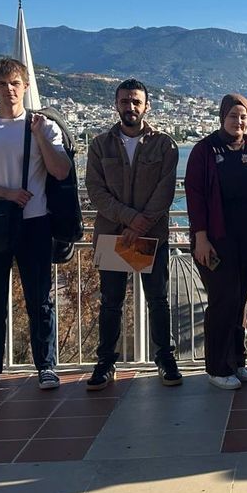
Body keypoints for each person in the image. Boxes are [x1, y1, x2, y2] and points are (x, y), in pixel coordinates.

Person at [0, 57, 71, 395]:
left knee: (40, 299)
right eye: (2, 84)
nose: (9, 89)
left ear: (26, 86)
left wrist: (40, 135)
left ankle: (46, 366)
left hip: (35, 222)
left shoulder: (44, 126)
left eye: (15, 83)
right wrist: (6, 193)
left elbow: (61, 170)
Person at [85, 79, 181, 390]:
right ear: (116, 104)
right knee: (111, 302)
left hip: (150, 237)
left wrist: (139, 225)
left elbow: (165, 191)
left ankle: (165, 358)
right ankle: (105, 362)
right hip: (114, 236)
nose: (131, 107)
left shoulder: (164, 145)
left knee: (158, 300)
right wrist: (131, 220)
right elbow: (95, 191)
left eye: (136, 101)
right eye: (125, 101)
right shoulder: (100, 145)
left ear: (146, 106)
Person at [185, 93, 247, 390]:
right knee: (223, 299)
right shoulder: (204, 150)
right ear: (222, 117)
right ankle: (217, 367)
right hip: (216, 237)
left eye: (243, 116)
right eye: (233, 115)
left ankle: (237, 360)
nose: (239, 121)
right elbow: (194, 195)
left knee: (241, 299)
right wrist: (200, 237)